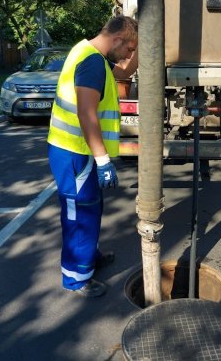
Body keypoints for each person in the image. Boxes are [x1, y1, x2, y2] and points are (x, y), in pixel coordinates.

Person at [47, 16, 138, 297]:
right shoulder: (92, 63)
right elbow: (86, 114)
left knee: (91, 208)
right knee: (79, 214)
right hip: (76, 153)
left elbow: (124, 70)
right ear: (118, 40)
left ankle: (89, 258)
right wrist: (102, 161)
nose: (128, 56)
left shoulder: (88, 51)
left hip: (77, 151)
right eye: (129, 48)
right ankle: (76, 278)